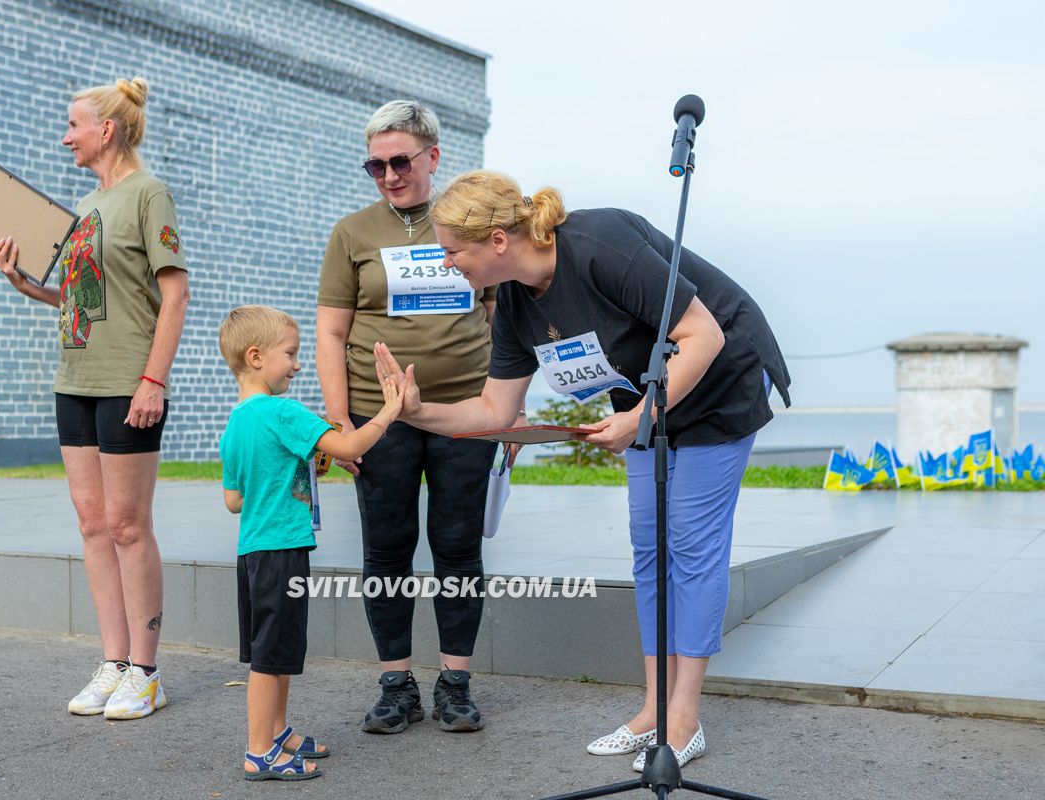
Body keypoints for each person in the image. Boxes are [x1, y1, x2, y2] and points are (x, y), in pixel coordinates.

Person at [373, 170, 790, 769]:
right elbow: (495, 410)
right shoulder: (514, 300)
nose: (444, 262)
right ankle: (653, 711)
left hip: (718, 382)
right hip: (646, 401)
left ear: (495, 240)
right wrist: (415, 412)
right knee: (649, 550)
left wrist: (640, 418)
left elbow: (703, 334)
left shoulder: (600, 245)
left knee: (692, 549)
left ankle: (684, 720)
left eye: (451, 250)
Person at [0, 76, 190, 720]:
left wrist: (153, 380)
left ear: (106, 130)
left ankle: (146, 671)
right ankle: (113, 661)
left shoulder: (148, 194)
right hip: (72, 381)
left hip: (127, 382)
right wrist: (26, 284)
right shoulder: (82, 207)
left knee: (130, 526)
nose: (64, 135)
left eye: (72, 124)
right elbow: (83, 298)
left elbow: (175, 294)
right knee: (93, 523)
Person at [316, 101, 513, 733]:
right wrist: (342, 425)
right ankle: (395, 684)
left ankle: (454, 684)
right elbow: (330, 333)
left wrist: (510, 406)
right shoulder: (352, 232)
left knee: (456, 544)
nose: (389, 175)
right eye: (375, 165)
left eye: (400, 161)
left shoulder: (466, 224)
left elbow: (499, 319)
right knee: (388, 546)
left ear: (433, 156)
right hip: (382, 417)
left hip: (466, 413)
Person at [218, 305, 406, 780]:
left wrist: (292, 470)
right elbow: (349, 447)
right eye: (291, 354)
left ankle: (277, 733)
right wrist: (390, 410)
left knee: (276, 649)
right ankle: (259, 750)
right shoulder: (283, 411)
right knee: (269, 657)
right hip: (281, 549)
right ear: (256, 356)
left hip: (254, 550)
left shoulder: (236, 422)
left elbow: (234, 500)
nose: (298, 364)